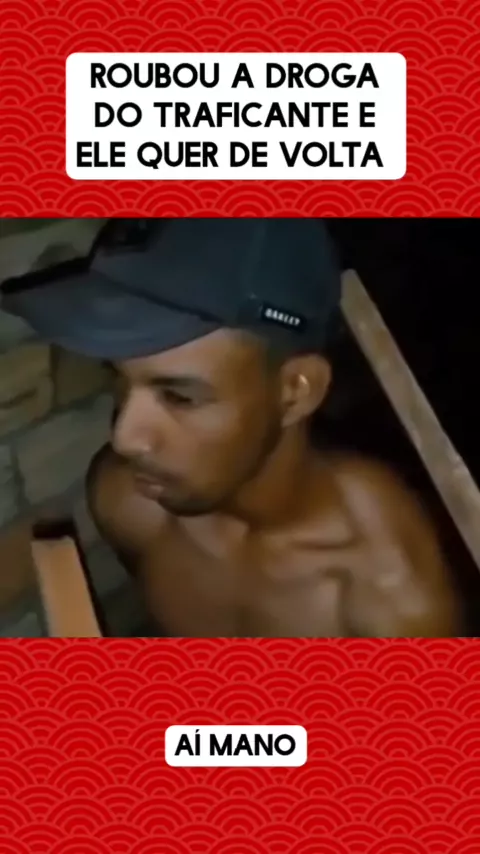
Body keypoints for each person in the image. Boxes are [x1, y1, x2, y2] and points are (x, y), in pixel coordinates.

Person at [2, 218, 458, 637]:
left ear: (295, 392)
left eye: (179, 396)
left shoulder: (391, 597)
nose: (124, 437)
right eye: (117, 379)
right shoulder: (129, 503)